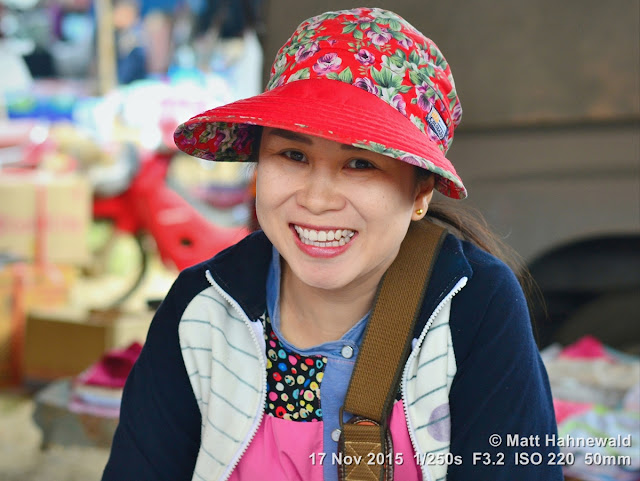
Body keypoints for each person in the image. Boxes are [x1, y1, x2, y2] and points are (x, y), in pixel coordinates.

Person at [101, 7, 563, 481]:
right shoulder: (201, 309)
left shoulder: (474, 308)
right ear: (259, 165)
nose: (316, 200)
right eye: (293, 155)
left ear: (420, 191)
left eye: (360, 164)